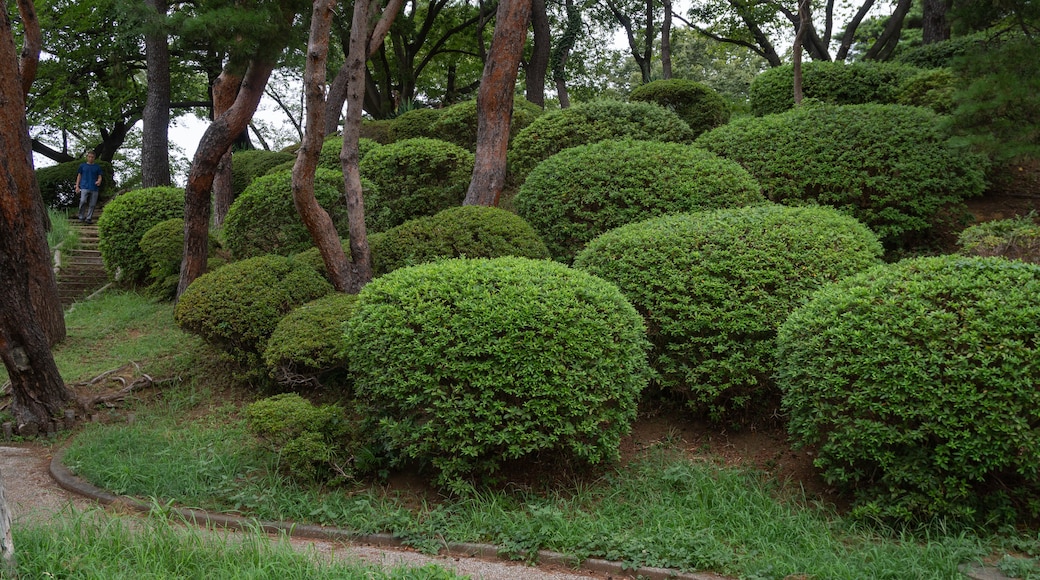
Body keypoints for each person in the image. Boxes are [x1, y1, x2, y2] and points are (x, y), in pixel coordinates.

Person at [75, 151, 103, 224]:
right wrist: (77, 186)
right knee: (83, 201)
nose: (91, 158)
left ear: (94, 158)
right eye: (89, 157)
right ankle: (81, 216)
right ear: (87, 157)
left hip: (94, 187)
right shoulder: (82, 166)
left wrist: (99, 181)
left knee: (92, 204)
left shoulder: (97, 167)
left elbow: (100, 176)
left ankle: (89, 218)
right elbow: (79, 176)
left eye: (92, 157)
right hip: (84, 186)